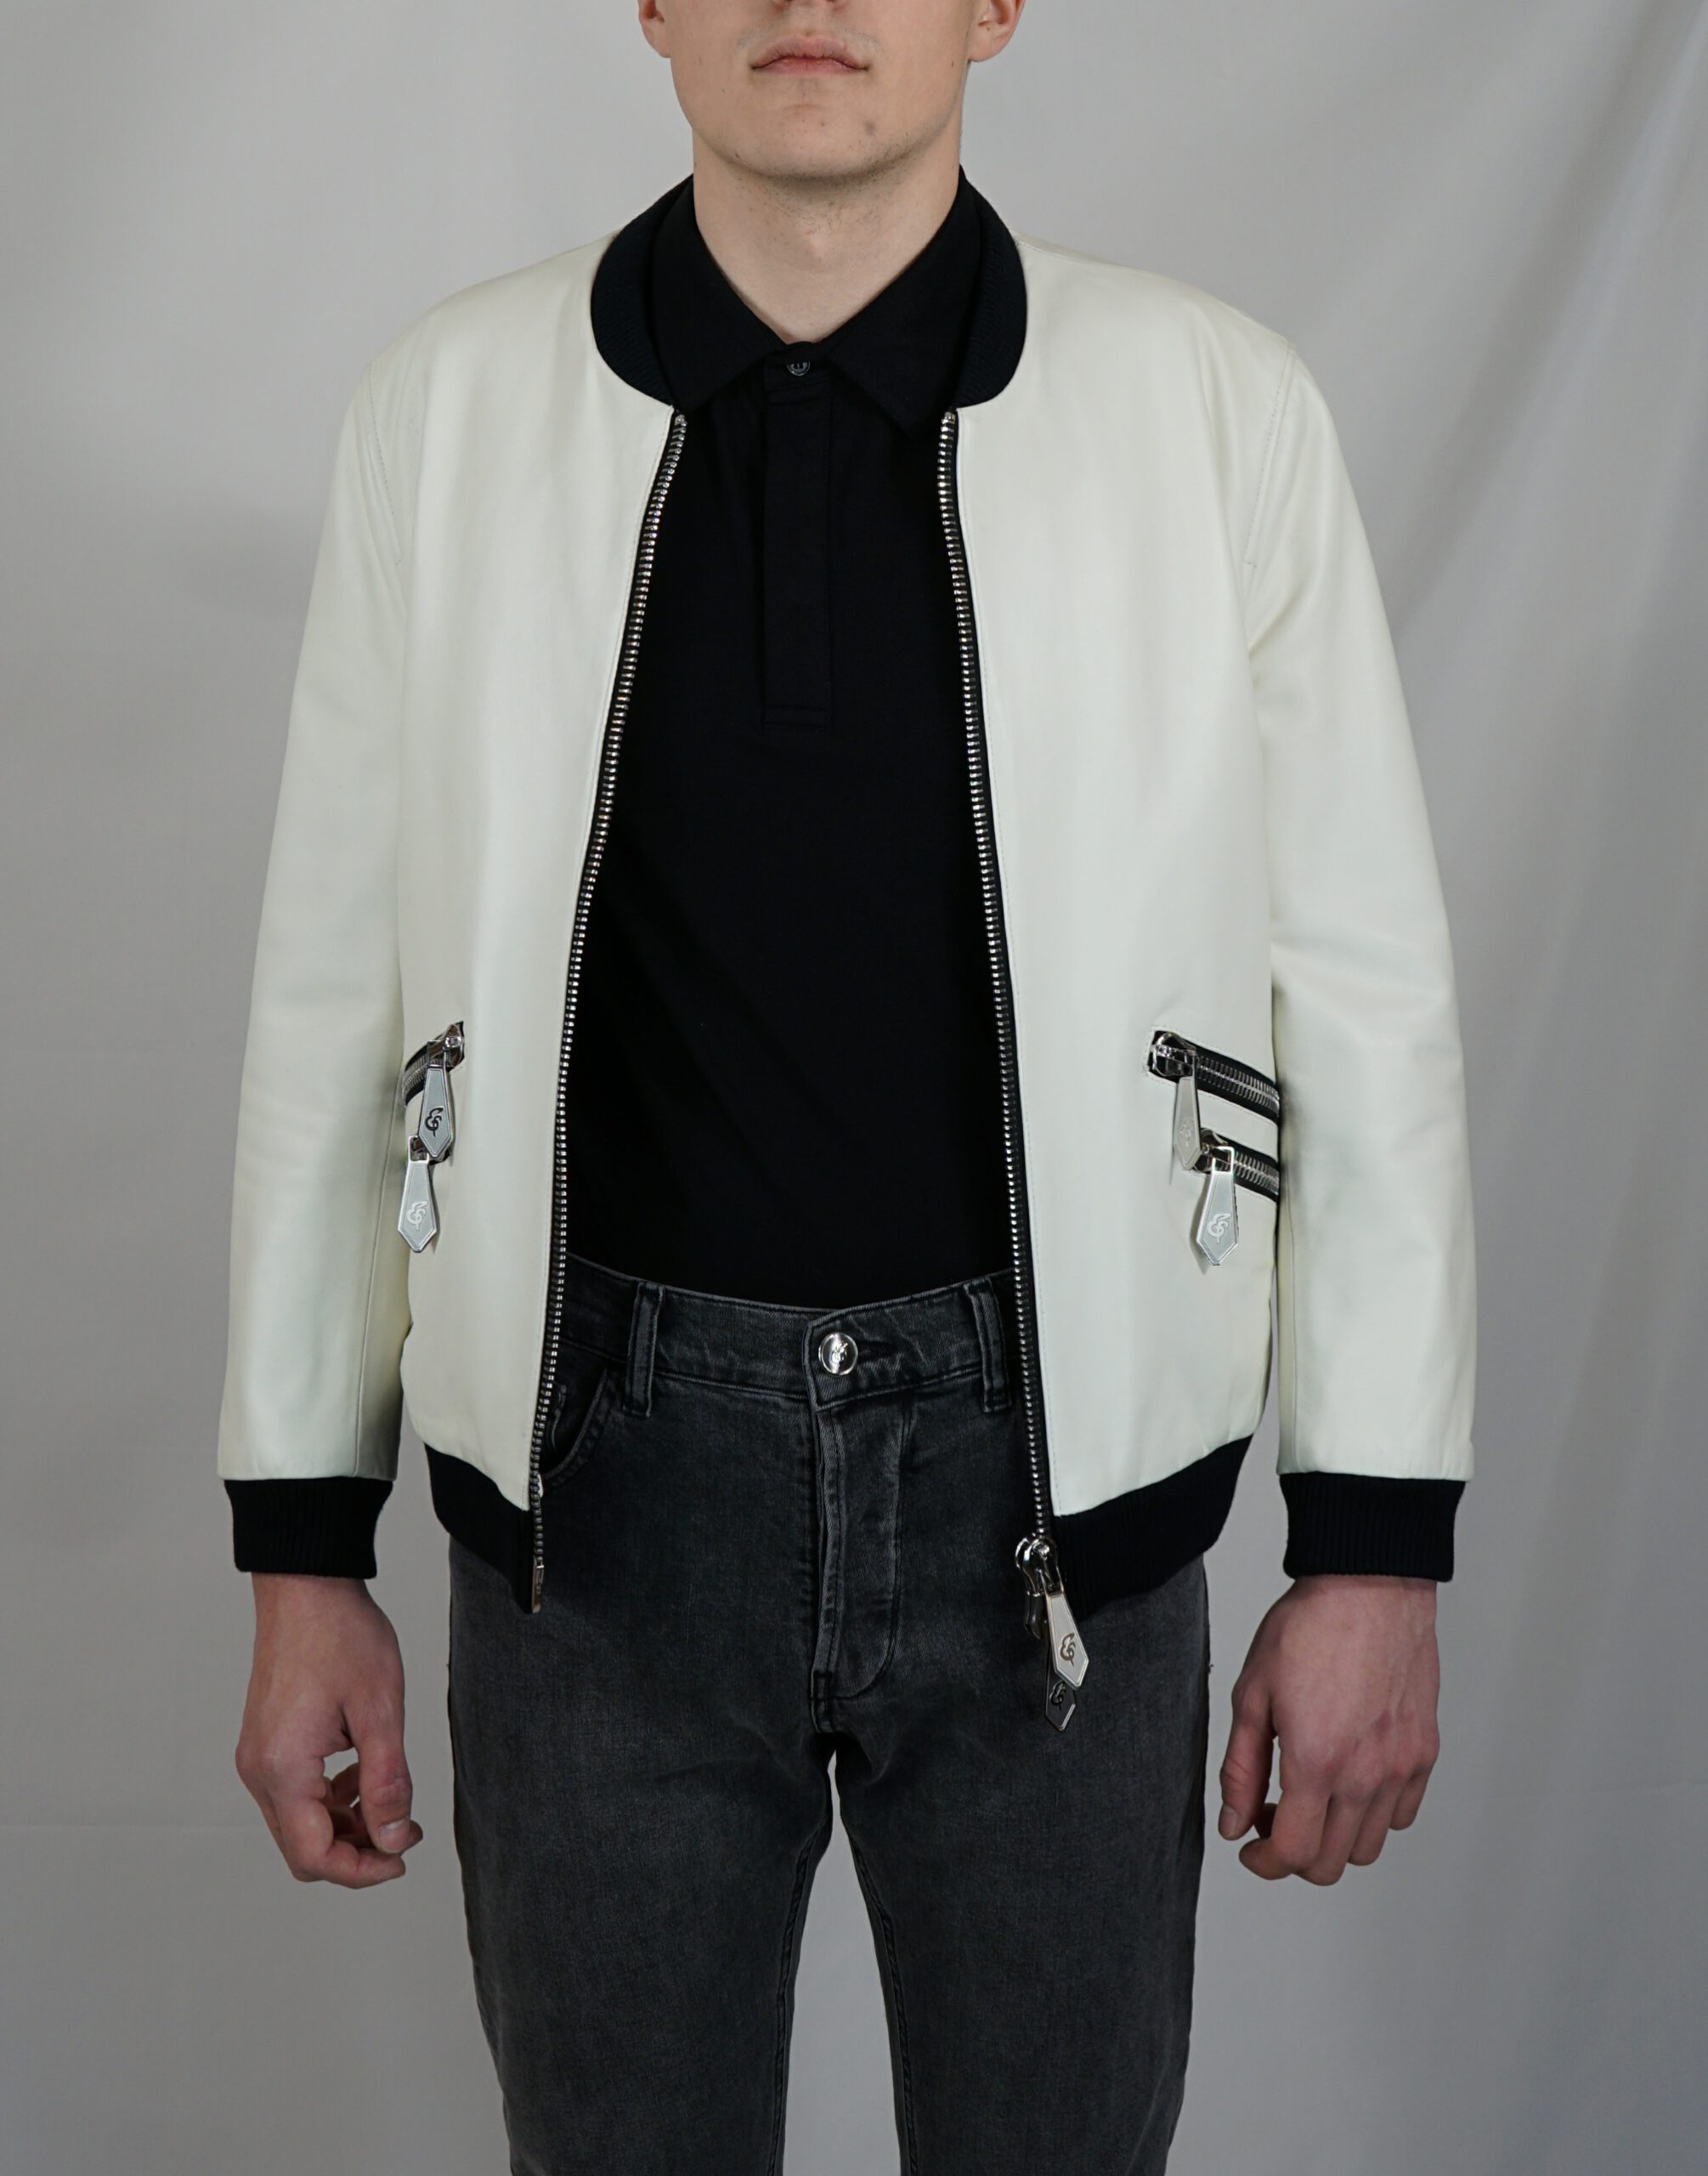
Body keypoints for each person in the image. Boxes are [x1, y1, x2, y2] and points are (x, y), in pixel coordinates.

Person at [219, 3, 1478, 2169]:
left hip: (1063, 1493)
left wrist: (1375, 1538)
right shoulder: (449, 408)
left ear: (995, 5)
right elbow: (334, 990)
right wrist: (299, 1542)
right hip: (594, 1514)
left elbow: (1362, 991)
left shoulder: (1211, 408)